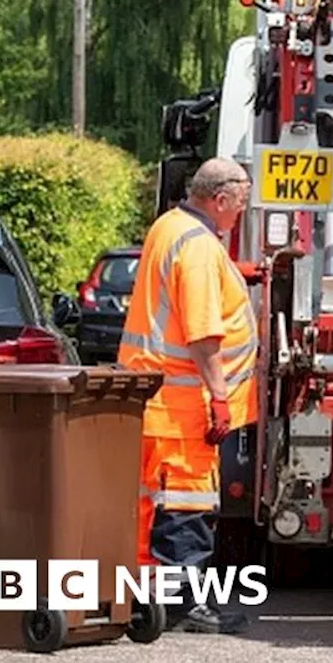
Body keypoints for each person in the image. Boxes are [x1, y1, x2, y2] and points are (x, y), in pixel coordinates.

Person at [118, 157, 266, 634]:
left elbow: (178, 287)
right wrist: (220, 397)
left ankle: (145, 603)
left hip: (155, 400)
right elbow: (203, 335)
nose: (240, 214)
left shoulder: (171, 226)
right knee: (185, 508)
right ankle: (185, 607)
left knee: (151, 507)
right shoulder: (200, 247)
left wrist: (236, 272)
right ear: (219, 200)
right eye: (239, 205)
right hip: (185, 408)